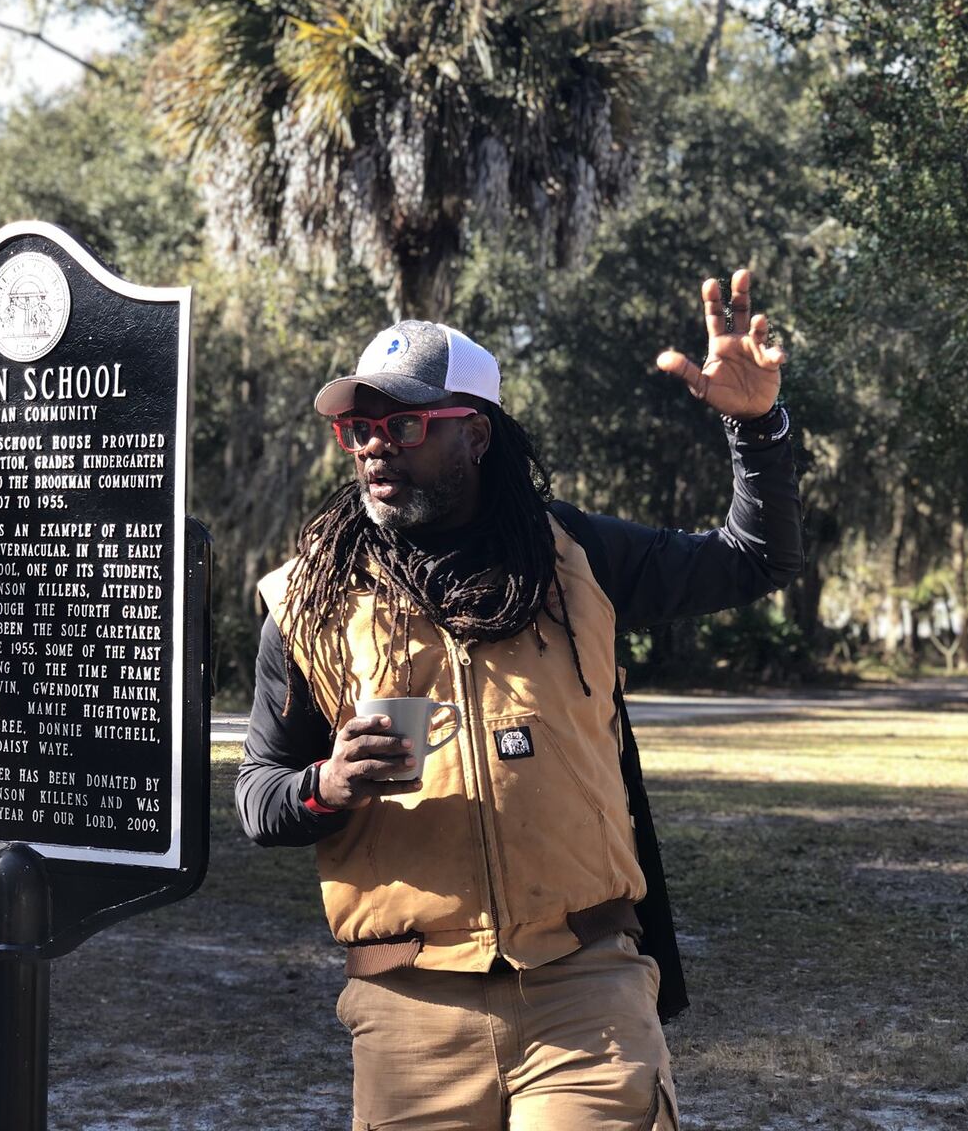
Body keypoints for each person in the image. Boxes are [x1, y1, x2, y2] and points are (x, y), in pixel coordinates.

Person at [236, 270, 802, 1130]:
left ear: (476, 437)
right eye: (359, 429)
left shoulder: (578, 557)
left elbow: (753, 558)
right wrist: (328, 785)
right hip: (408, 1010)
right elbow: (257, 794)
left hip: (585, 988)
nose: (376, 448)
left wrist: (755, 428)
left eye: (406, 424)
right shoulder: (307, 598)